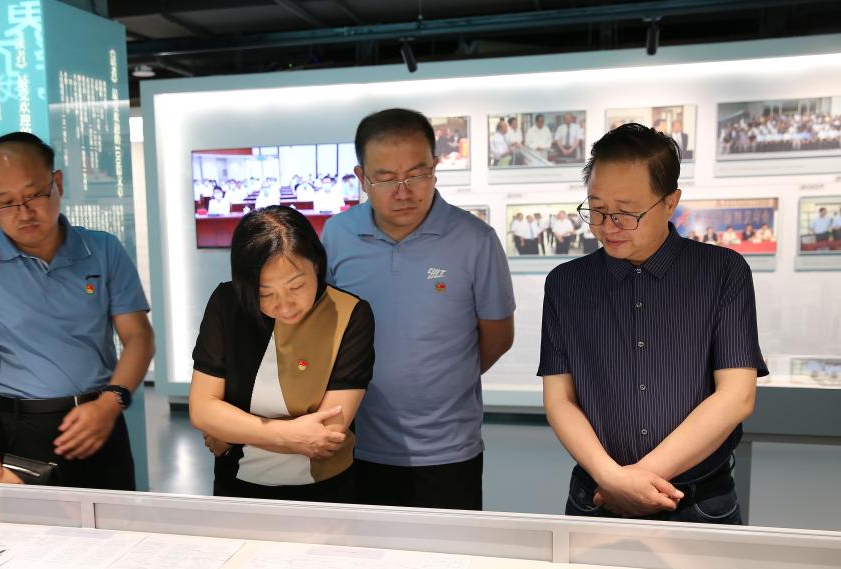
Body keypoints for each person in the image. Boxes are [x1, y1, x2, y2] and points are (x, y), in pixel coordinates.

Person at [539, 123, 767, 524]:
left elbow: (737, 396)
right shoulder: (566, 284)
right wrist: (613, 479)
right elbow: (560, 399)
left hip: (698, 500)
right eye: (596, 209)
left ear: (670, 202)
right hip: (597, 493)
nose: (608, 225)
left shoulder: (721, 272)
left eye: (626, 213)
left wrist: (635, 481)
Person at [321, 108, 516, 510]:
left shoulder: (475, 240)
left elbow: (498, 335)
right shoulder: (338, 234)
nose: (403, 191)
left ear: (435, 168)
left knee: (450, 547)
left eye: (417, 174)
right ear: (362, 178)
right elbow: (323, 328)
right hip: (356, 440)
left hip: (448, 448)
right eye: (385, 178)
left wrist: (444, 377)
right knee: (365, 546)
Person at [0, 132, 154, 489]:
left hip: (100, 421)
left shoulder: (102, 249)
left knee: (113, 521)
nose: (24, 213)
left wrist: (110, 403)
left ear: (58, 183)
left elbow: (138, 335)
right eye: (6, 203)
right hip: (20, 432)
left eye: (34, 195)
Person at [189, 206, 374, 502]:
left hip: (323, 490)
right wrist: (290, 435)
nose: (285, 306)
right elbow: (202, 409)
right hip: (237, 485)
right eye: (265, 293)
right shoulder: (227, 303)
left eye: (296, 286)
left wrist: (233, 430)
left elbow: (326, 436)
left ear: (316, 265)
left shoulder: (349, 313)